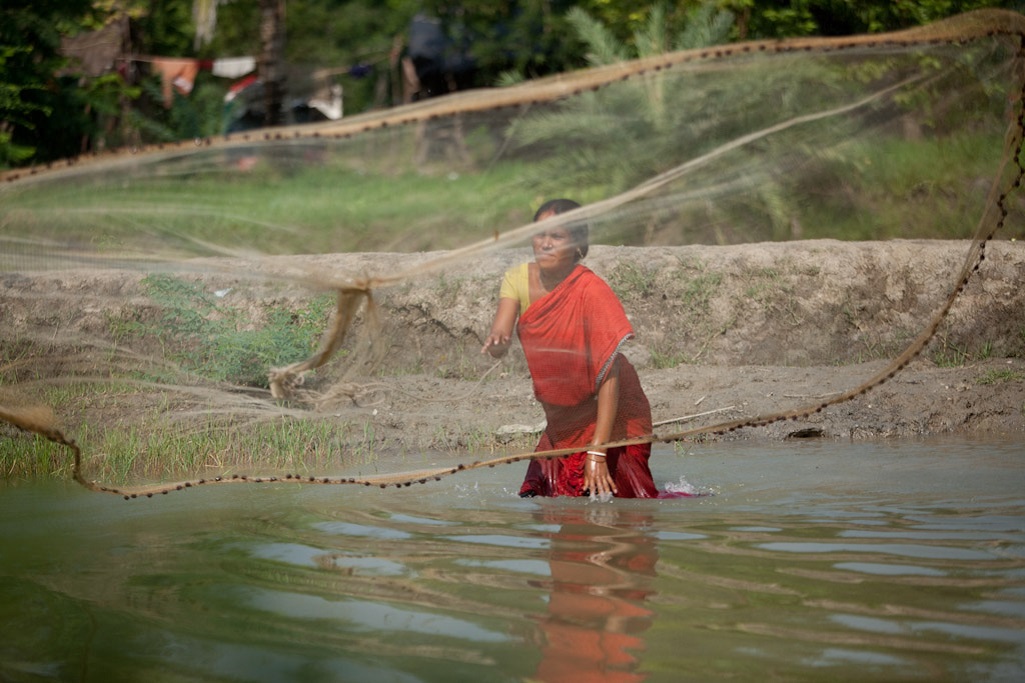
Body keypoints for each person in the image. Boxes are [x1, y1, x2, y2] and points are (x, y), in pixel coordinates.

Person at [482, 199, 659, 498]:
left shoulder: (591, 290)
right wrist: (497, 343)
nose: (546, 244)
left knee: (624, 507)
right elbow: (500, 336)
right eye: (540, 234)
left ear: (577, 244)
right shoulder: (517, 279)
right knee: (540, 498)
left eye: (557, 236)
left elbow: (608, 372)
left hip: (614, 412)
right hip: (564, 418)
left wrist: (598, 452)